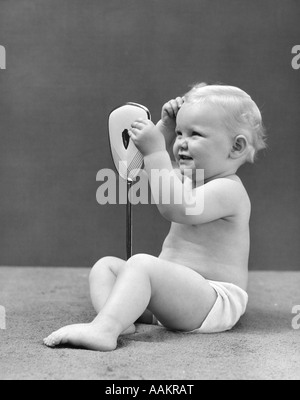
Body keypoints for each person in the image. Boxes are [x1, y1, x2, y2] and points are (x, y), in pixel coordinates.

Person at [44, 83, 266, 351]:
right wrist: (164, 128)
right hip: (177, 298)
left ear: (236, 146)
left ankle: (104, 330)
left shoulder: (229, 190)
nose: (181, 143)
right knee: (106, 267)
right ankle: (118, 318)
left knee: (141, 264)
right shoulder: (190, 178)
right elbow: (149, 171)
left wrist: (156, 150)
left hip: (211, 300)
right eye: (180, 133)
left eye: (195, 134)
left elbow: (176, 207)